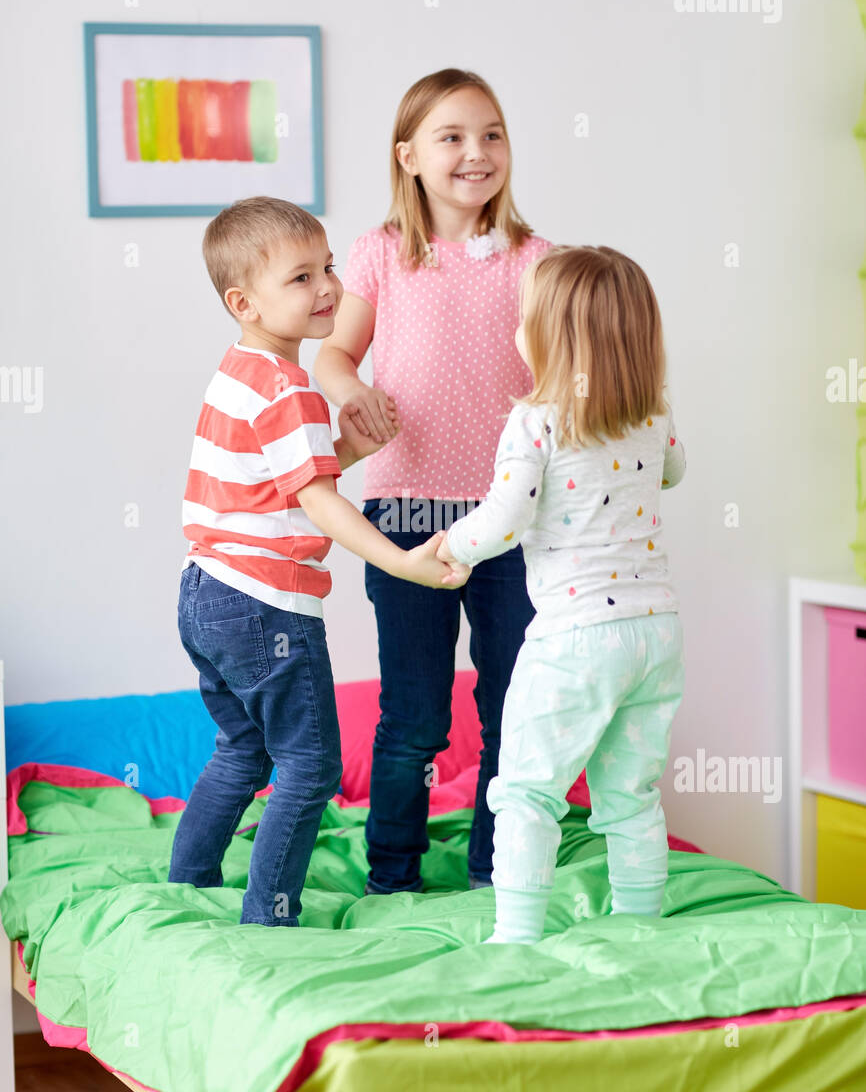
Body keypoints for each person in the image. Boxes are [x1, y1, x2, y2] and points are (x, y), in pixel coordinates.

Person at [169, 197, 467, 928]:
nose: (328, 287)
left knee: (243, 751)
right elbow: (321, 505)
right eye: (301, 278)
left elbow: (284, 481)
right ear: (244, 302)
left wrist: (354, 451)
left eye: (328, 267)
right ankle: (270, 916)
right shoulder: (292, 387)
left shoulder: (240, 372)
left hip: (205, 594)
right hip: (266, 604)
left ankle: (188, 883)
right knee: (311, 768)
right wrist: (403, 563)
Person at [314, 68, 551, 894]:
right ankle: (392, 873)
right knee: (414, 717)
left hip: (514, 519)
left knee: (510, 709)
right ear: (409, 156)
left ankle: (496, 869)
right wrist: (352, 394)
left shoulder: (537, 260)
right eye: (451, 137)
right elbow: (334, 353)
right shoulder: (381, 254)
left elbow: (562, 370)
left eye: (491, 134)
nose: (475, 153)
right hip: (406, 516)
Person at [438, 245, 687, 943]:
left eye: (526, 317)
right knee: (631, 794)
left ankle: (516, 938)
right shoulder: (653, 416)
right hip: (656, 632)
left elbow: (504, 520)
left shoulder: (536, 421)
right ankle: (642, 929)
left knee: (524, 791)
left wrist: (449, 548)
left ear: (550, 337)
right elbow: (672, 472)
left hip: (576, 637)